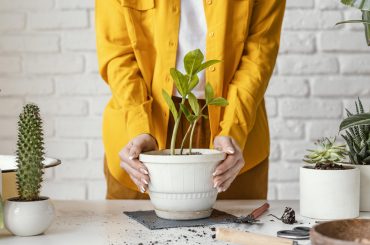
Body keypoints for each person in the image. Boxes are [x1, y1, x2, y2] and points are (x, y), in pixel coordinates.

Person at [95, 0, 286, 199]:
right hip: (142, 126)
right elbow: (118, 56)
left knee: (235, 226)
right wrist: (139, 126)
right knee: (129, 227)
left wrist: (233, 127)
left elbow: (259, 55)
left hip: (233, 127)